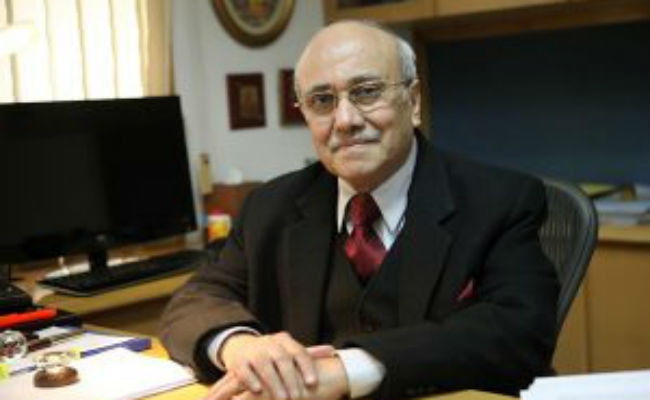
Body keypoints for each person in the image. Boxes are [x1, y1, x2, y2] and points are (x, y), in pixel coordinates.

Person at [161, 20, 558, 400]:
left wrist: (349, 370)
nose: (345, 120)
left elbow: (520, 333)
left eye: (367, 92)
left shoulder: (500, 199)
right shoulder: (270, 206)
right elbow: (194, 300)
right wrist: (238, 345)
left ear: (413, 101)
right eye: (322, 101)